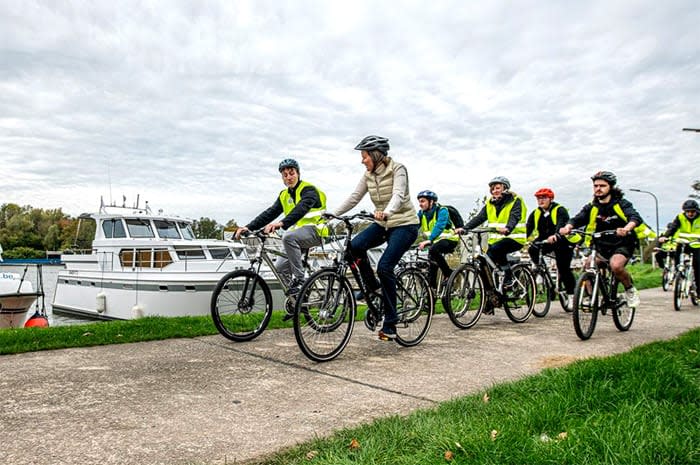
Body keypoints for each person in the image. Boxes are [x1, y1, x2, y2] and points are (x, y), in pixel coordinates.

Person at [330, 135, 419, 341]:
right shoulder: (368, 174)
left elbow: (398, 194)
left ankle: (390, 323)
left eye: (365, 156)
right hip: (383, 223)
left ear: (376, 155)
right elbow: (354, 197)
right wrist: (333, 214)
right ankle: (372, 287)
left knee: (385, 267)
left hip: (405, 224)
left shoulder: (398, 169)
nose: (362, 160)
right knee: (353, 248)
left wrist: (387, 211)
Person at [235, 158, 328, 319]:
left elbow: (301, 208)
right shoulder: (284, 195)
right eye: (284, 175)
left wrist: (281, 223)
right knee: (280, 269)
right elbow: (270, 213)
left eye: (291, 173)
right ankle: (298, 300)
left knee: (288, 236)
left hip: (316, 233)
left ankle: (299, 281)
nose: (288, 177)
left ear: (298, 174)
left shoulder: (309, 190)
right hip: (298, 237)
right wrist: (248, 227)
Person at [559, 171, 643, 308]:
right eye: (595, 186)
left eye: (602, 186)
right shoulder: (592, 207)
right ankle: (592, 297)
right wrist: (568, 227)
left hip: (622, 243)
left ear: (611, 187)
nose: (598, 189)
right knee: (588, 266)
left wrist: (626, 229)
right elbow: (578, 218)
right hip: (601, 244)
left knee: (615, 266)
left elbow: (635, 217)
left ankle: (630, 289)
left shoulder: (621, 203)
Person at [457, 176, 527, 292]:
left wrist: (508, 228)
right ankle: (491, 296)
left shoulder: (516, 200)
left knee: (494, 251)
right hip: (495, 241)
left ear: (505, 188)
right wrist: (465, 228)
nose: (494, 191)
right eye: (492, 189)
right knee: (485, 266)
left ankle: (509, 279)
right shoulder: (490, 203)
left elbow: (515, 216)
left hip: (514, 238)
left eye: (497, 188)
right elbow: (479, 217)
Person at [526, 188, 580, 308]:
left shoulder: (559, 210)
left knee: (563, 268)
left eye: (544, 198)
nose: (541, 201)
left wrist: (556, 235)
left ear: (551, 199)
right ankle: (542, 272)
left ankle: (571, 296)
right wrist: (522, 239)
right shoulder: (536, 213)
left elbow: (562, 224)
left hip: (563, 240)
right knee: (533, 249)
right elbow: (528, 228)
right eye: (538, 198)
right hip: (545, 239)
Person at [416, 190, 459, 290]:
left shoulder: (442, 210)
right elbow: (414, 227)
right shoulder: (421, 214)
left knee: (433, 250)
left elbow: (440, 225)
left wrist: (430, 240)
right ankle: (431, 296)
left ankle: (448, 273)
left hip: (450, 240)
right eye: (419, 202)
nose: (420, 204)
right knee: (431, 269)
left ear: (431, 202)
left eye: (423, 201)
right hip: (436, 242)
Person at [659, 199, 700, 294]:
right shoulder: (680, 217)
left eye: (692, 211)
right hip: (683, 243)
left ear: (696, 211)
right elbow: (673, 228)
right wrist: (665, 236)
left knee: (698, 267)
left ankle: (698, 290)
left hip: (697, 245)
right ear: (684, 211)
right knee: (677, 259)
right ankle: (679, 275)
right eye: (688, 211)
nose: (690, 213)